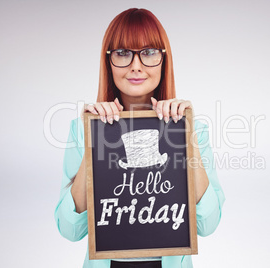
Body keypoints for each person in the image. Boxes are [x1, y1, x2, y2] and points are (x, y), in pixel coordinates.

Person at [54, 8, 225, 268]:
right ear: (108, 61)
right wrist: (95, 138)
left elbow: (206, 224)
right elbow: (70, 230)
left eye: (148, 52)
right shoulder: (83, 130)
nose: (136, 65)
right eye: (122, 53)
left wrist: (185, 133)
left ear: (163, 60)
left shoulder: (193, 130)